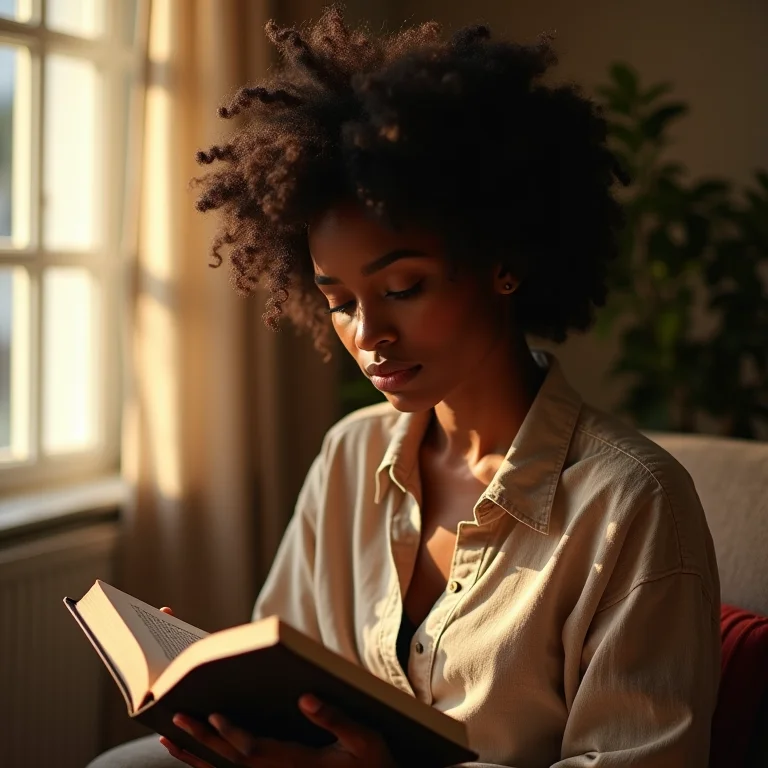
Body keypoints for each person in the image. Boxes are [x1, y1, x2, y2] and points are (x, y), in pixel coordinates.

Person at [88, 5, 721, 767]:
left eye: (405, 286)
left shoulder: (633, 504)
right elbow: (292, 674)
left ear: (503, 261)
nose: (369, 334)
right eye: (341, 302)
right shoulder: (350, 457)